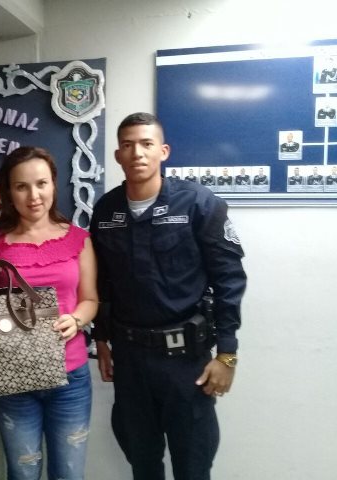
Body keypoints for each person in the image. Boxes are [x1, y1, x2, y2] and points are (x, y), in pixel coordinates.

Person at [90, 113, 246, 480]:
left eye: (147, 144)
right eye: (128, 145)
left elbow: (229, 279)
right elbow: (103, 282)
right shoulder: (106, 210)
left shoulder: (198, 204)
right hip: (130, 360)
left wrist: (227, 354)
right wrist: (102, 340)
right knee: (142, 462)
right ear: (117, 155)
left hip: (185, 362)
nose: (137, 153)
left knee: (193, 465)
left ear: (163, 151)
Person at [0, 146, 98, 480]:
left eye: (41, 183)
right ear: (8, 192)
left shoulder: (79, 240)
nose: (34, 196)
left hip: (70, 376)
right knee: (23, 472)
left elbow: (90, 299)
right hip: (11, 378)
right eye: (22, 186)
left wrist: (76, 319)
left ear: (54, 184)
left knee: (69, 474)